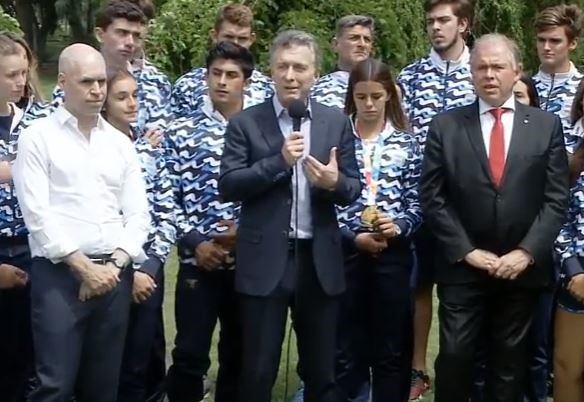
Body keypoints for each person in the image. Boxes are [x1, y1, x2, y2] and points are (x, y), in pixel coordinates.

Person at [420, 33, 569, 402]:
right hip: (463, 267)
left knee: (509, 366)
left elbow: (555, 199)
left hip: (520, 271)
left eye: (497, 66)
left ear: (516, 71)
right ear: (471, 73)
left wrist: (526, 252)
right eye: (481, 67)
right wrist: (466, 251)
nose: (489, 74)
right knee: (454, 358)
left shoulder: (546, 126)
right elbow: (433, 196)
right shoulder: (446, 126)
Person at [219, 29, 361, 402]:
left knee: (321, 370)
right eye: (282, 66)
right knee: (258, 369)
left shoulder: (335, 123)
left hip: (319, 261)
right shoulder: (246, 123)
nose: (291, 75)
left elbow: (353, 190)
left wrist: (333, 182)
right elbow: (230, 185)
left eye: (300, 67)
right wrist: (278, 163)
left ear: (316, 73)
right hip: (266, 260)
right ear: (271, 71)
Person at [13, 44, 151, 402]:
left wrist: (114, 266)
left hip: (114, 276)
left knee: (102, 387)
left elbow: (138, 214)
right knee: (54, 385)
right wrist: (83, 267)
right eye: (86, 81)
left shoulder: (120, 144)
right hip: (60, 275)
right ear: (62, 82)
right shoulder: (38, 137)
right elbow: (36, 213)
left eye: (101, 82)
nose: (97, 90)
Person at [164, 41, 252, 402]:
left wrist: (243, 235)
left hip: (248, 263)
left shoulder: (262, 130)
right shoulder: (181, 131)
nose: (222, 82)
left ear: (246, 80)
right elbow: (165, 197)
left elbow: (278, 194)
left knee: (240, 353)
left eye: (232, 75)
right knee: (189, 353)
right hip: (196, 262)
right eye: (216, 73)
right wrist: (195, 242)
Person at [396, 0, 476, 398]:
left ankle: (464, 370)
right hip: (420, 201)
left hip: (469, 207)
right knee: (419, 287)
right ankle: (415, 368)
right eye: (430, 21)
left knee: (464, 291)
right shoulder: (411, 76)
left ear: (463, 24)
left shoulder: (481, 73)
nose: (435, 27)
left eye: (443, 20)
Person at [335, 58, 421, 402]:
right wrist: (352, 234)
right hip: (348, 253)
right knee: (347, 347)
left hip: (393, 254)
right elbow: (324, 201)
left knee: (391, 349)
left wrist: (397, 225)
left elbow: (418, 203)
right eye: (361, 97)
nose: (369, 105)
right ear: (351, 98)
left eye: (376, 96)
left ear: (390, 96)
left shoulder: (407, 143)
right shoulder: (337, 141)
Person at [100, 69, 175, 402]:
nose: (132, 104)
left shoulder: (150, 147)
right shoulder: (94, 150)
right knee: (105, 365)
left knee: (140, 363)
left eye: (135, 95)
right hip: (107, 269)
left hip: (148, 272)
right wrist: (127, 268)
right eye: (121, 97)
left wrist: (152, 264)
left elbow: (165, 209)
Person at [53, 1, 173, 133]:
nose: (130, 42)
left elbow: (161, 137)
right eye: (122, 33)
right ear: (100, 34)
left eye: (136, 36)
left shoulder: (155, 81)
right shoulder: (76, 79)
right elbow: (62, 130)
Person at [0, 32, 33, 402]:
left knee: (25, 355)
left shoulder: (33, 124)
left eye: (23, 73)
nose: (21, 82)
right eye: (10, 74)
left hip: (29, 250)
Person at [171, 3, 273, 118]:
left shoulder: (267, 89)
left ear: (252, 39)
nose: (235, 44)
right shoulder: (187, 86)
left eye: (242, 39)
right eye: (228, 37)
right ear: (214, 35)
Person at [554, 78, 584, 402]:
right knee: (567, 368)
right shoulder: (567, 154)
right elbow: (555, 217)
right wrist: (574, 269)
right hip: (576, 277)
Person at [533, 4, 584, 154]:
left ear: (572, 43)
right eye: (541, 40)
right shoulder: (523, 87)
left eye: (555, 41)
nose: (546, 47)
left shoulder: (581, 86)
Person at [311, 15, 375, 110]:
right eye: (354, 38)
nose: (362, 44)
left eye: (367, 39)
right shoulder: (321, 91)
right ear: (336, 44)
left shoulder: (382, 89)